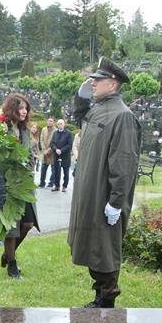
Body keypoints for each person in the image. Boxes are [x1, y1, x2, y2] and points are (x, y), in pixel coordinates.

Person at [69, 57, 140, 308]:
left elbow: (123, 162)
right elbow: (80, 119)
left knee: (104, 247)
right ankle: (100, 294)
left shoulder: (122, 115)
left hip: (104, 194)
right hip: (89, 192)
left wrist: (116, 201)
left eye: (98, 80)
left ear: (113, 84)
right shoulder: (100, 108)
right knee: (92, 245)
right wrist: (81, 96)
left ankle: (107, 299)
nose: (92, 83)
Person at [1, 93, 40, 279]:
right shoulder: (3, 128)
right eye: (21, 108)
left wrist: (29, 168)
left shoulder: (25, 130)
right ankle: (12, 266)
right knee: (11, 228)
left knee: (28, 224)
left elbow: (32, 155)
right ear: (12, 109)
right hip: (7, 184)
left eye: (26, 108)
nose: (24, 111)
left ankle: (7, 254)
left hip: (25, 183)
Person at [49, 119, 73, 192]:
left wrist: (61, 150)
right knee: (56, 171)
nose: (60, 125)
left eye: (61, 124)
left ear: (64, 124)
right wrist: (56, 149)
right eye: (58, 124)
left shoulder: (69, 133)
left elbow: (69, 145)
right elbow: (52, 143)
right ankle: (57, 186)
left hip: (65, 156)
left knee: (66, 172)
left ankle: (64, 186)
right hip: (56, 155)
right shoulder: (55, 133)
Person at [38, 117, 56, 188]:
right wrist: (44, 149)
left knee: (53, 169)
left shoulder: (56, 131)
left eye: (51, 121)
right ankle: (42, 183)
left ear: (53, 122)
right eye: (48, 121)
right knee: (43, 169)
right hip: (44, 153)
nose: (49, 122)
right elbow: (41, 140)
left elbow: (55, 142)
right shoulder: (43, 129)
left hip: (52, 153)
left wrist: (48, 150)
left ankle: (51, 183)